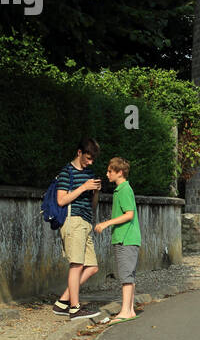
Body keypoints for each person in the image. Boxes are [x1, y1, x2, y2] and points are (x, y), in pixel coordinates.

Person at [52, 137, 102, 319]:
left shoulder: (90, 174)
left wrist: (95, 191)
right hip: (72, 221)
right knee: (77, 265)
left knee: (92, 267)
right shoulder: (67, 172)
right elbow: (61, 200)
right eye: (88, 158)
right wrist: (83, 187)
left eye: (92, 159)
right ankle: (74, 308)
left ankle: (62, 302)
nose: (90, 162)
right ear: (79, 152)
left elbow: (93, 204)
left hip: (85, 221)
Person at [94, 157, 140, 323]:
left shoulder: (124, 190)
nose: (107, 174)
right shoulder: (121, 189)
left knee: (125, 276)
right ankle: (130, 309)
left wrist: (106, 223)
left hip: (125, 238)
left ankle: (125, 311)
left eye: (110, 171)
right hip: (127, 238)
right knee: (129, 275)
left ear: (119, 172)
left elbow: (129, 214)